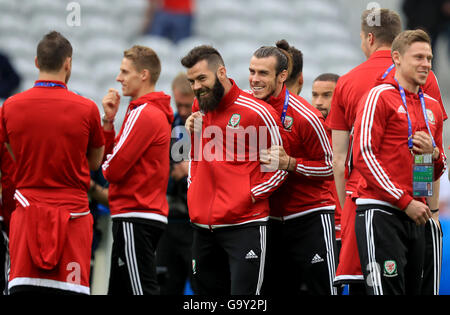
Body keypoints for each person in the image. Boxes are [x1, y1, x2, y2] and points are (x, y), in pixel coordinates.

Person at [328, 8, 447, 294]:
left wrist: (431, 157)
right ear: (398, 54)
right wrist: (424, 205)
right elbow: (364, 154)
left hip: (396, 207)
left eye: (429, 58)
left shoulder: (422, 100)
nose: (426, 64)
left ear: (368, 38)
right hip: (382, 206)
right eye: (420, 57)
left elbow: (342, 158)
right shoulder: (381, 93)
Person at [0, 31, 105, 295]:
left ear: (36, 62)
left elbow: (13, 154)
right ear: (68, 63)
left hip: (26, 216)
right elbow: (95, 162)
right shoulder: (87, 108)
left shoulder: (10, 107)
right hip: (73, 219)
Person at [181, 45, 287, 295]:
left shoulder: (258, 112)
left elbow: (279, 167)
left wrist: (247, 196)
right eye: (191, 81)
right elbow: (195, 157)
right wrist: (194, 190)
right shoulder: (200, 108)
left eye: (201, 79)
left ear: (221, 72)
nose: (196, 86)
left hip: (244, 226)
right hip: (202, 230)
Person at [249, 41, 337, 295]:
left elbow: (331, 167)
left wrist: (290, 163)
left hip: (309, 218)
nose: (255, 79)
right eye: (252, 72)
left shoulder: (306, 116)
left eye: (263, 73)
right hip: (268, 220)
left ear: (282, 76)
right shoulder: (247, 110)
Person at [101, 45, 174, 295]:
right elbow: (112, 161)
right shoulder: (150, 112)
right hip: (138, 214)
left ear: (143, 75)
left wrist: (107, 160)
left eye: (124, 71)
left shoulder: (144, 113)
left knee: (141, 290)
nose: (118, 78)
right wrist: (108, 123)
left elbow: (111, 170)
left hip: (136, 215)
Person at [156, 72, 196, 295]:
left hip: (196, 226)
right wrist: (171, 171)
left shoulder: (212, 130)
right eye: (178, 104)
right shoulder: (168, 126)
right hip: (169, 221)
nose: (182, 110)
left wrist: (195, 168)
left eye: (187, 105)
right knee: (166, 286)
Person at [311, 73, 342, 269]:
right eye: (315, 95)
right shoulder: (307, 131)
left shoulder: (354, 134)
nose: (318, 102)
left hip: (349, 228)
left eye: (326, 95)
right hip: (318, 228)